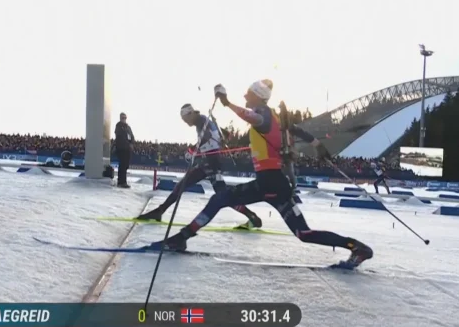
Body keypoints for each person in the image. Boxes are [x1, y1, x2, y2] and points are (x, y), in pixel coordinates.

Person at [151, 80, 373, 268]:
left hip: (268, 183)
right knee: (303, 233)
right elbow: (298, 131)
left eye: (248, 94)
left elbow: (255, 119)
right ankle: (356, 247)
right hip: (279, 185)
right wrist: (318, 146)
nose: (245, 97)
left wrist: (227, 103)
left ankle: (181, 238)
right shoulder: (275, 118)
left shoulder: (263, 113)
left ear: (257, 96)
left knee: (219, 199)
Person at [136, 104, 263, 228]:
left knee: (188, 187)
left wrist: (193, 150)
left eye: (185, 119)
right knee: (219, 194)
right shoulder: (202, 120)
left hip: (210, 162)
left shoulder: (201, 120)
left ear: (190, 114)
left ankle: (160, 211)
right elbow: (215, 136)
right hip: (211, 161)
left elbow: (206, 137)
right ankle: (251, 216)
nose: (186, 122)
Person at [114, 112, 135, 188]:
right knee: (122, 165)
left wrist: (131, 143)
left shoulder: (128, 127)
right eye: (122, 118)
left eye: (125, 118)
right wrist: (127, 143)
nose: (124, 119)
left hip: (127, 149)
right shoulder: (118, 126)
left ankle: (124, 181)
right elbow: (120, 137)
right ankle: (121, 182)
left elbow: (132, 136)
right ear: (120, 118)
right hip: (121, 148)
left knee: (125, 165)